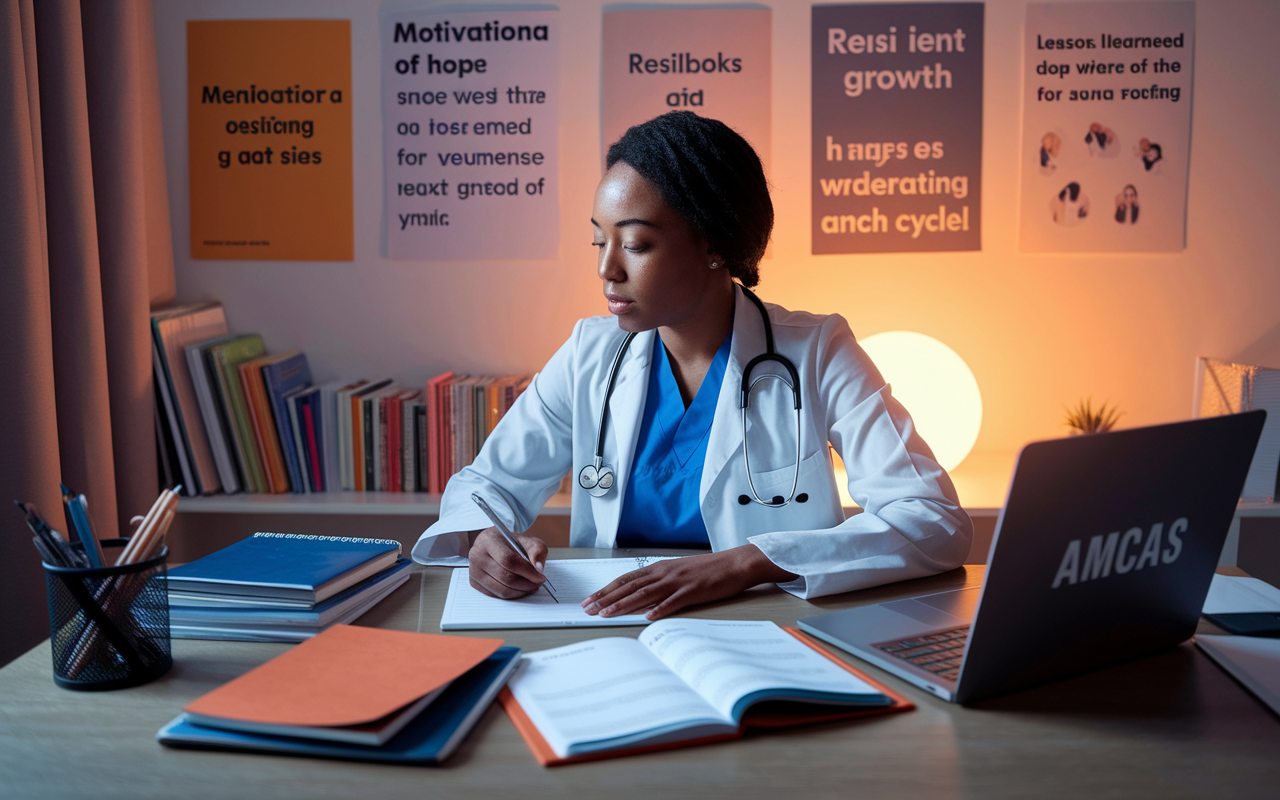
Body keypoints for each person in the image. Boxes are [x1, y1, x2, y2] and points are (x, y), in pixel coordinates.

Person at [412, 111, 973, 620]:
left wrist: (747, 563)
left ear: (716, 245)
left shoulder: (817, 350)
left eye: (634, 244)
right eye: (597, 241)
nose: (607, 269)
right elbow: (486, 485)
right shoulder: (590, 352)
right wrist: (486, 536)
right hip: (611, 620)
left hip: (768, 620)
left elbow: (933, 520)